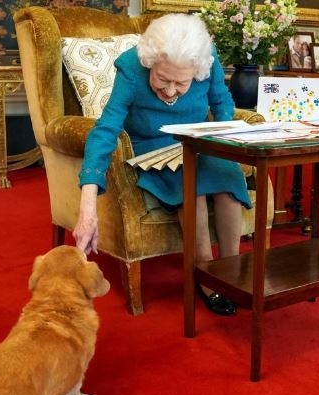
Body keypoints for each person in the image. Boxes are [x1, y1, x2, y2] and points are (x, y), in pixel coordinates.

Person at [73, 13, 250, 316]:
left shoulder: (207, 59)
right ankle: (206, 278)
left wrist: (225, 144)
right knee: (191, 191)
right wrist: (88, 201)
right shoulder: (131, 66)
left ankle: (229, 273)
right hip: (152, 148)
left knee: (229, 187)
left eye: (181, 83)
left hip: (199, 142)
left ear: (197, 70)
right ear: (150, 62)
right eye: (162, 79)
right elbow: (106, 129)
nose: (170, 91)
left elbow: (222, 105)